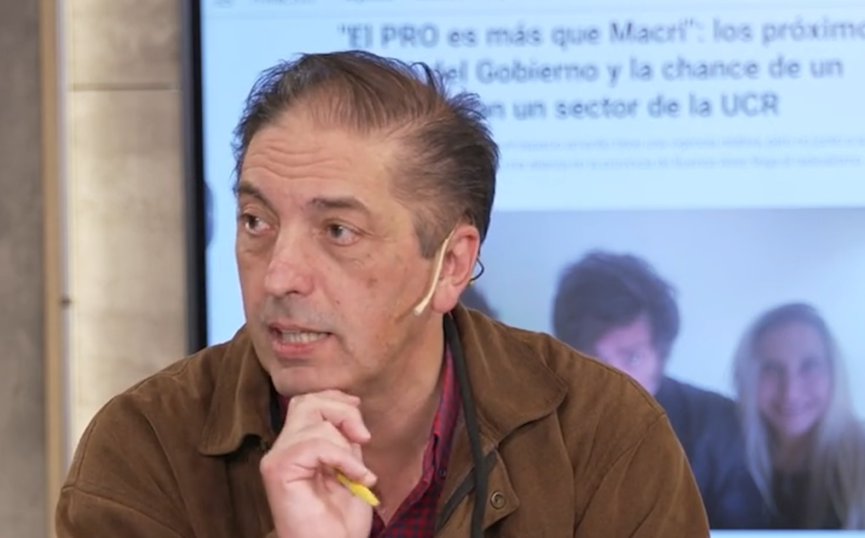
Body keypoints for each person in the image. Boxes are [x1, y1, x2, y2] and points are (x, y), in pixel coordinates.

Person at [56, 51, 708, 537]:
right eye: (257, 222)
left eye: (338, 231)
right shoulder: (147, 447)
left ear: (451, 265)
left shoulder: (599, 434)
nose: (279, 276)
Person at [552, 250, 769, 529]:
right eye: (592, 358)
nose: (610, 377)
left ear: (660, 357)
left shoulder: (718, 427)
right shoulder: (531, 424)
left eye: (632, 357)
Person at [732, 302, 865, 529]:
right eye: (772, 368)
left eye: (810, 366)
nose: (790, 392)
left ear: (834, 373)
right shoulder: (719, 449)